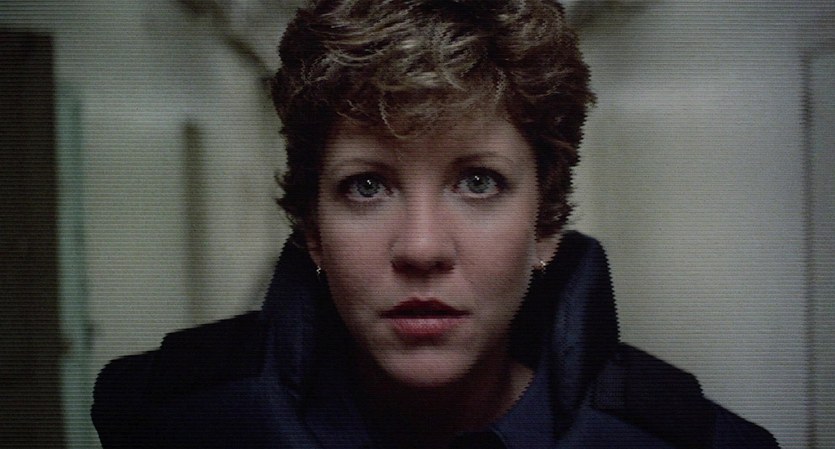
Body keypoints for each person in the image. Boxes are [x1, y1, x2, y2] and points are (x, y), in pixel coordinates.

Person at [92, 0, 781, 447]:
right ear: (312, 229)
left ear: (544, 222)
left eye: (478, 182)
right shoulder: (169, 425)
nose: (421, 247)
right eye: (367, 186)